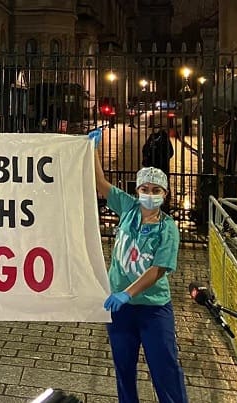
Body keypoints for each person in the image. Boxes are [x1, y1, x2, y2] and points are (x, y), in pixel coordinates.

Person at [90, 129, 188, 403]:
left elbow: (159, 269)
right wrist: (94, 151)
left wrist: (127, 293)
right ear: (137, 190)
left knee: (165, 369)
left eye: (156, 190)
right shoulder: (129, 208)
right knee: (123, 370)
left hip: (153, 310)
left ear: (165, 195)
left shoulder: (168, 228)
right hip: (119, 311)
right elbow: (101, 183)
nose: (149, 194)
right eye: (144, 189)